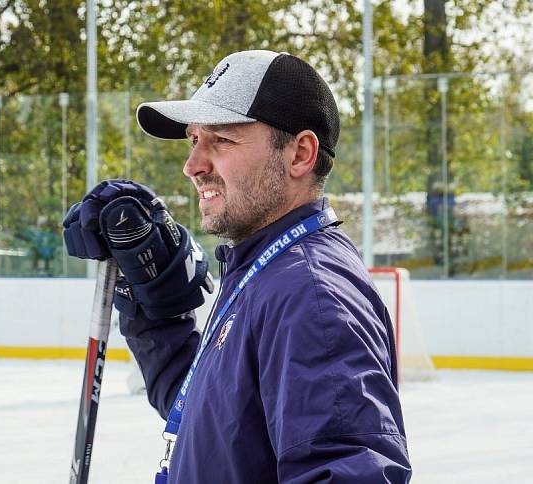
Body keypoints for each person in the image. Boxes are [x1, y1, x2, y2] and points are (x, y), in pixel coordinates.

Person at [63, 50, 411, 483]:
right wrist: (158, 316)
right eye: (194, 139)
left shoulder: (311, 296)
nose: (193, 166)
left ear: (300, 154)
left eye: (222, 139)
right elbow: (217, 427)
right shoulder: (265, 272)